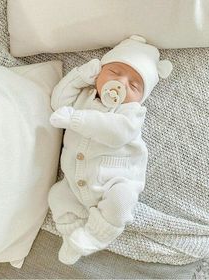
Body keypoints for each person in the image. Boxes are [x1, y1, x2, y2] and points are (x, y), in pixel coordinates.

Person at [48, 35, 173, 265]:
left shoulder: (131, 113)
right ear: (100, 72)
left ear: (140, 98)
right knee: (57, 195)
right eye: (114, 73)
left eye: (134, 85)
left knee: (122, 201)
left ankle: (95, 236)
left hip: (115, 181)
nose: (122, 84)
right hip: (74, 183)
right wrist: (80, 76)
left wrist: (75, 119)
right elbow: (58, 103)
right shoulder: (84, 95)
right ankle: (72, 236)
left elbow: (116, 133)